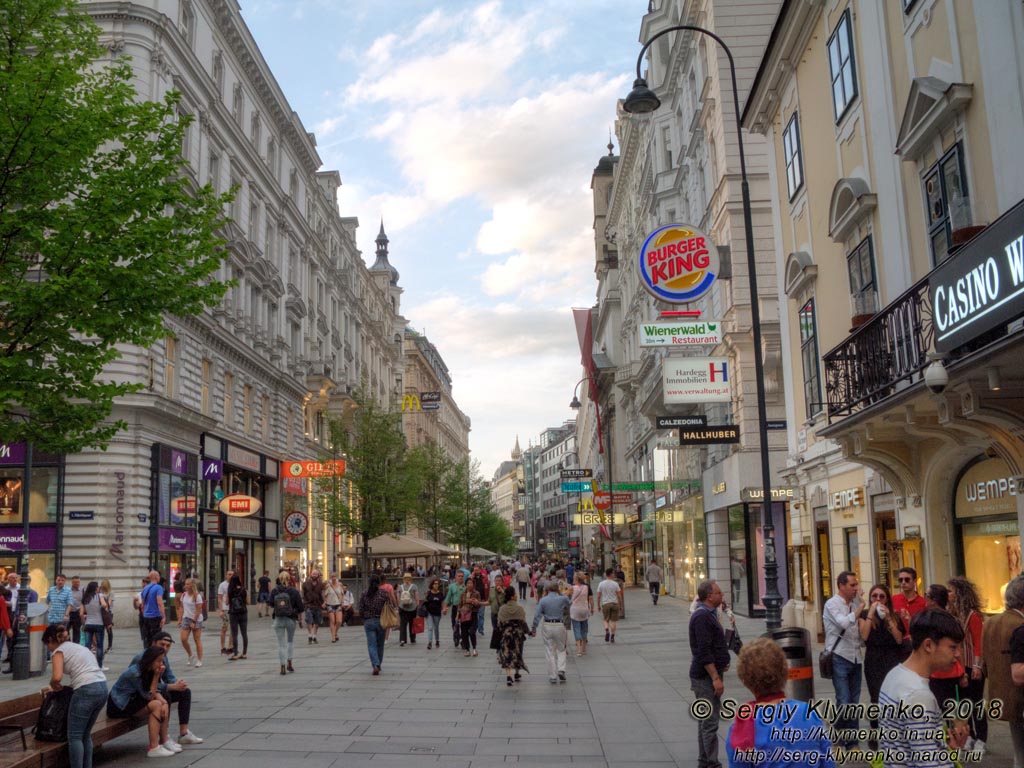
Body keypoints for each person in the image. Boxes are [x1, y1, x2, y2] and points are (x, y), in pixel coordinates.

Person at [879, 608, 970, 765]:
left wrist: (950, 748)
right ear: (928, 645)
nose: (958, 654)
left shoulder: (894, 675)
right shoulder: (918, 695)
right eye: (953, 647)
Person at [726, 637, 834, 768]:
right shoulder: (809, 713)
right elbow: (827, 762)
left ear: (746, 680)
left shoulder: (742, 726)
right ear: (784, 671)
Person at [42, 624, 108, 768]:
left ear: (51, 640)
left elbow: (57, 677)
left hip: (86, 691)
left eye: (47, 644)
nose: (48, 648)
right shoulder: (79, 647)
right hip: (102, 686)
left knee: (75, 737)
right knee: (85, 734)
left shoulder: (58, 651)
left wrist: (52, 684)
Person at [131, 632, 203, 751]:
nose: (165, 648)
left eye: (167, 646)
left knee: (185, 692)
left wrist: (178, 684)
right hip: (139, 695)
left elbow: (169, 677)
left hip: (154, 689)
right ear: (153, 643)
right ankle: (164, 737)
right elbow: (143, 684)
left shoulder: (163, 657)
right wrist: (170, 687)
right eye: (162, 644)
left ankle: (184, 733)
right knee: (165, 696)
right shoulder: (142, 658)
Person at [984, 574, 1024, 768]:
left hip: (1001, 695)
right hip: (1018, 697)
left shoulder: (990, 622)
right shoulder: (1019, 625)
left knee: (1019, 753)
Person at [858, 583, 906, 745]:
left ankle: (892, 730)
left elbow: (899, 639)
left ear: (887, 599)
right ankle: (875, 730)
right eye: (874, 596)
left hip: (892, 659)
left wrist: (889, 620)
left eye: (881, 597)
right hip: (873, 660)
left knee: (893, 697)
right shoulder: (865, 615)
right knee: (876, 697)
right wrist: (871, 612)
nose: (878, 599)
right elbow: (864, 636)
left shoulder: (894, 616)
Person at [107, 645, 176, 758]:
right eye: (158, 661)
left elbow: (152, 691)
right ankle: (154, 747)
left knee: (163, 703)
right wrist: (156, 675)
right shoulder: (136, 673)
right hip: (119, 705)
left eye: (162, 661)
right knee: (156, 705)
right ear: (151, 660)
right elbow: (149, 696)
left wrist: (164, 702)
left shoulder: (148, 669)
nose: (161, 664)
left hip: (133, 699)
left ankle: (164, 741)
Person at [690, 580, 729, 768]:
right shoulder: (702, 617)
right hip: (705, 677)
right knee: (710, 721)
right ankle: (712, 763)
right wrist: (715, 677)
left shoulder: (709, 615)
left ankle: (704, 761)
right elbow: (703, 651)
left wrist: (722, 660)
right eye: (719, 593)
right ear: (709, 596)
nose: (722, 596)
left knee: (704, 720)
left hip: (707, 674)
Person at [822, 570, 863, 749]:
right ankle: (837, 733)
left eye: (856, 584)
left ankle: (851, 742)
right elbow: (844, 623)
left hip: (855, 657)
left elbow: (857, 634)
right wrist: (861, 607)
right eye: (852, 585)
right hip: (839, 655)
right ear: (841, 586)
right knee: (844, 700)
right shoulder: (832, 604)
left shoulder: (854, 605)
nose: (856, 588)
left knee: (854, 702)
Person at [948, 576, 986, 752]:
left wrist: (978, 666)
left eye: (951, 591)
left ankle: (982, 739)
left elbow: (979, 642)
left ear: (959, 593)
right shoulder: (955, 614)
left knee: (977, 702)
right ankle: (969, 736)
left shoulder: (973, 615)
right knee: (964, 703)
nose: (949, 594)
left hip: (973, 665)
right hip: (960, 665)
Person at [531, 581, 572, 683]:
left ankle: (553, 676)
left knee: (549, 651)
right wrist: (561, 593)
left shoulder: (543, 600)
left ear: (547, 590)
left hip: (547, 625)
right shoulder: (562, 598)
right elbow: (569, 602)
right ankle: (561, 670)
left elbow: (537, 615)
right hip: (559, 625)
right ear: (557, 589)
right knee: (561, 648)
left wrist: (534, 628)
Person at [358, 573, 397, 675]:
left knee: (371, 644)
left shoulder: (364, 593)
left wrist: (364, 618)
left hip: (369, 621)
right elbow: (390, 605)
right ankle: (378, 664)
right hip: (381, 621)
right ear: (379, 582)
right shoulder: (384, 593)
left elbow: (361, 608)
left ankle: (375, 664)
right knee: (380, 644)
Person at [270, 570, 303, 675]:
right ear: (289, 579)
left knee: (281, 644)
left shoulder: (275, 591)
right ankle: (290, 662)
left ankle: (282, 666)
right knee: (290, 641)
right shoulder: (294, 591)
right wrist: (297, 614)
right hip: (291, 619)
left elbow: (270, 603)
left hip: (278, 619)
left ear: (279, 579)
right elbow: (301, 607)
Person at [498, 586, 530, 685]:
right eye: (515, 593)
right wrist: (528, 632)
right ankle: (516, 672)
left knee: (506, 654)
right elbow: (523, 623)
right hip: (518, 635)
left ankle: (508, 676)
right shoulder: (519, 608)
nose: (517, 595)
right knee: (518, 652)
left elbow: (499, 624)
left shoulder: (502, 609)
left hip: (506, 634)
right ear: (512, 597)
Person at [79, 581, 109, 671]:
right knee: (99, 646)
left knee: (87, 645)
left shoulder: (84, 598)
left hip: (88, 623)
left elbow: (81, 614)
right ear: (96, 588)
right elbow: (104, 605)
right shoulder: (99, 596)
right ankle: (99, 666)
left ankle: (87, 665)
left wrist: (84, 623)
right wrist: (104, 606)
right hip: (99, 624)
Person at [892, 566, 926, 635]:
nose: (903, 582)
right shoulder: (893, 599)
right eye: (900, 580)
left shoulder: (923, 602)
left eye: (907, 580)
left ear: (914, 581)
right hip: (897, 642)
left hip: (916, 640)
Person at [178, 578, 204, 667]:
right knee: (183, 639)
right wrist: (179, 619)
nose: (186, 586)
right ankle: (190, 654)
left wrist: (194, 621)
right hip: (186, 618)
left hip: (196, 618)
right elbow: (181, 607)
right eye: (185, 584)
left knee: (197, 639)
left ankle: (199, 660)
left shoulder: (197, 596)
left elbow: (198, 610)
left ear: (192, 585)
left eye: (188, 584)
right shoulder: (184, 595)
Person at [595, 567, 623, 643]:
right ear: (610, 574)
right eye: (613, 573)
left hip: (605, 604)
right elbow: (619, 596)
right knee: (613, 621)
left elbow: (598, 596)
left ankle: (607, 630)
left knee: (606, 619)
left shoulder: (601, 584)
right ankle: (612, 637)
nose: (614, 574)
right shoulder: (615, 584)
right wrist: (620, 605)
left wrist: (598, 605)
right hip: (614, 603)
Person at [139, 570, 166, 648]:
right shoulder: (158, 588)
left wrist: (145, 614)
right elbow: (159, 602)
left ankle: (148, 653)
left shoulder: (145, 588)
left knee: (148, 638)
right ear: (155, 577)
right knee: (157, 638)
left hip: (146, 617)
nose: (159, 577)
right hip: (155, 616)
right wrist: (163, 616)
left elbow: (142, 605)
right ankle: (155, 654)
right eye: (158, 576)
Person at [458, 583, 486, 657]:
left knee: (472, 631)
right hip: (464, 615)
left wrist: (474, 602)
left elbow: (479, 605)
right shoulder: (462, 593)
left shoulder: (476, 593)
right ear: (466, 585)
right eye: (468, 583)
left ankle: (474, 648)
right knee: (464, 633)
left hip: (473, 614)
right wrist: (458, 615)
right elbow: (460, 604)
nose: (470, 585)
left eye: (471, 583)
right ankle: (467, 650)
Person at [569, 572, 592, 656]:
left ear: (576, 579)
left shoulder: (572, 588)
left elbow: (565, 594)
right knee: (584, 629)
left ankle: (579, 650)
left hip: (575, 610)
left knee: (576, 628)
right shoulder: (586, 587)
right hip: (585, 609)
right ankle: (584, 649)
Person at [227, 573, 248, 660]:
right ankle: (244, 653)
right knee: (244, 633)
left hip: (233, 613)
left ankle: (235, 654)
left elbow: (227, 602)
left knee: (234, 634)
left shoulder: (230, 590)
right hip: (243, 612)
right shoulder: (243, 589)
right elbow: (248, 602)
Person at [443, 571, 466, 648]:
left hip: (464, 608)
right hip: (455, 607)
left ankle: (463, 640)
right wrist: (445, 608)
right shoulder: (452, 586)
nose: (460, 577)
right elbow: (448, 598)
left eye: (462, 576)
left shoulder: (466, 587)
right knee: (454, 624)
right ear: (456, 577)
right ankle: (456, 637)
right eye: (459, 576)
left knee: (464, 625)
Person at [301, 569, 324, 644]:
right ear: (310, 574)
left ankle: (315, 635)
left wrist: (323, 603)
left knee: (317, 621)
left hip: (318, 605)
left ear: (318, 575)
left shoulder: (321, 584)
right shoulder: (305, 584)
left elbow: (322, 595)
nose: (314, 575)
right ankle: (310, 635)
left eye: (316, 574)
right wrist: (304, 602)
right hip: (308, 605)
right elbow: (303, 594)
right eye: (313, 574)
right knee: (309, 620)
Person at [396, 572, 419, 646]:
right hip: (412, 608)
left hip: (403, 608)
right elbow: (416, 597)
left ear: (403, 579)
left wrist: (399, 605)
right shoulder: (414, 586)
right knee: (412, 624)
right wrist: (417, 605)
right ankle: (412, 639)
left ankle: (403, 639)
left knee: (403, 624)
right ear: (411, 579)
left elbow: (398, 598)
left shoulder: (400, 587)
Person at [423, 578, 444, 650]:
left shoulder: (440, 593)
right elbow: (424, 601)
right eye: (435, 584)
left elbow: (442, 603)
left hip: (437, 613)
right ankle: (430, 642)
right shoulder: (429, 593)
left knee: (436, 628)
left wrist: (444, 609)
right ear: (432, 585)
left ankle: (437, 640)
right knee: (430, 627)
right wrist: (425, 597)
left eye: (437, 584)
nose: (436, 585)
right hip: (429, 613)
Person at [324, 574, 345, 643]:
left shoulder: (340, 585)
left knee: (339, 621)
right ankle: (333, 637)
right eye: (332, 577)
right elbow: (325, 595)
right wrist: (325, 602)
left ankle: (335, 633)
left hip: (338, 604)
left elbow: (342, 594)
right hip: (330, 604)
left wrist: (342, 602)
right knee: (332, 621)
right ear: (330, 578)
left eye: (335, 576)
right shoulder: (328, 586)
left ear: (336, 577)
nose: (333, 578)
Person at [217, 569, 234, 655]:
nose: (230, 576)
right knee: (224, 628)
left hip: (234, 609)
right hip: (225, 609)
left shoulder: (236, 584)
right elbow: (219, 598)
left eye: (231, 574)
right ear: (226, 575)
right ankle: (222, 647)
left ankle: (230, 646)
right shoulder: (222, 585)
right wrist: (221, 610)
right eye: (229, 574)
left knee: (233, 628)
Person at [67, 576, 84, 644]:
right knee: (66, 629)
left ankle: (75, 645)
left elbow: (84, 601)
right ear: (72, 583)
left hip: (77, 612)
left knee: (76, 630)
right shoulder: (68, 590)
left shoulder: (82, 591)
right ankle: (68, 643)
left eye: (78, 582)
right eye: (75, 582)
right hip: (69, 612)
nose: (77, 583)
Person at [99, 578, 114, 652]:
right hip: (101, 612)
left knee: (109, 629)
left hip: (109, 613)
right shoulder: (100, 592)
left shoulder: (111, 593)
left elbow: (109, 603)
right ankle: (101, 644)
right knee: (101, 629)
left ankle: (110, 645)